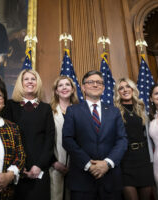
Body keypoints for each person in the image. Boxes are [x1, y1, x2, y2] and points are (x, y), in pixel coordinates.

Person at [62, 70, 128, 200]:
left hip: (110, 179)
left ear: (103, 88)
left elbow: (122, 140)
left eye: (99, 82)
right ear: (83, 87)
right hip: (82, 180)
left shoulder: (114, 111)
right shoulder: (72, 111)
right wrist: (88, 164)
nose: (95, 85)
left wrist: (107, 163)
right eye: (91, 82)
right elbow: (67, 140)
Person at [1, 69, 55, 200]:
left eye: (33, 79)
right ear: (20, 83)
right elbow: (6, 139)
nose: (30, 82)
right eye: (26, 79)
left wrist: (39, 165)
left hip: (40, 169)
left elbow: (49, 139)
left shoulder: (46, 108)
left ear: (38, 83)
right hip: (15, 168)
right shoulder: (9, 106)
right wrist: (19, 166)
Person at [113, 78, 155, 200]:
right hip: (125, 159)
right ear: (117, 92)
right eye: (121, 88)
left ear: (133, 89)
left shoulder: (142, 108)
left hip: (143, 158)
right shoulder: (114, 111)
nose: (125, 90)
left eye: (128, 86)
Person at [50, 76, 79, 200]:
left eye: (67, 84)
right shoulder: (49, 111)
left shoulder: (80, 110)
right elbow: (45, 140)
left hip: (77, 166)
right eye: (60, 85)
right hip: (55, 164)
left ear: (72, 89)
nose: (64, 87)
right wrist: (53, 162)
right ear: (56, 91)